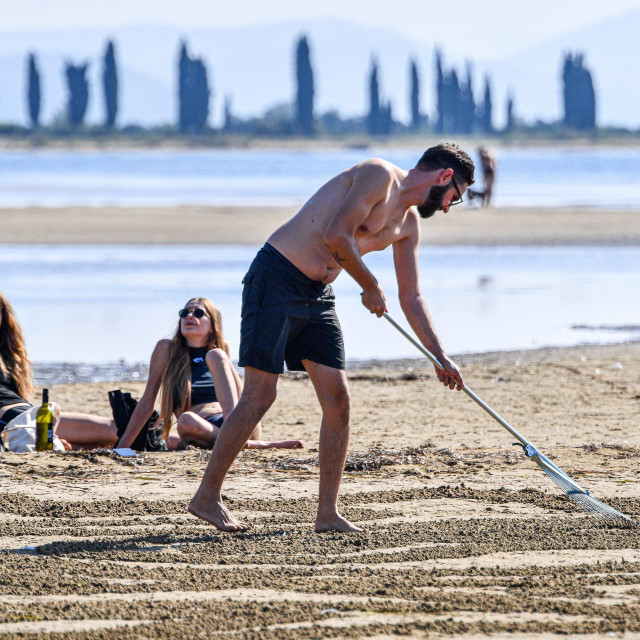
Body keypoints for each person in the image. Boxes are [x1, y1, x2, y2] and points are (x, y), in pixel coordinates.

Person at [188, 142, 475, 533]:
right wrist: (370, 285)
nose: (447, 207)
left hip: (318, 296)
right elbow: (336, 236)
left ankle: (327, 513)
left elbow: (412, 296)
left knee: (338, 399)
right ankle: (207, 496)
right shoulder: (379, 176)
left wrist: (440, 357)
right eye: (454, 198)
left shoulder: (407, 225)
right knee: (261, 394)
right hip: (276, 278)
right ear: (444, 177)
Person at [116, 297, 304, 451]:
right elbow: (147, 401)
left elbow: (238, 394)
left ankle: (237, 437)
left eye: (198, 313)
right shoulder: (167, 349)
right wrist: (122, 447)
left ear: (213, 325)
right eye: (185, 312)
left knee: (215, 355)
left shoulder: (219, 352)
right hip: (199, 427)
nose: (189, 316)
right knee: (186, 420)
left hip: (238, 421)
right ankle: (245, 444)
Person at [0, 292, 117, 448]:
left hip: (29, 417)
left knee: (107, 439)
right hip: (19, 420)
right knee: (118, 430)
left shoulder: (8, 353)